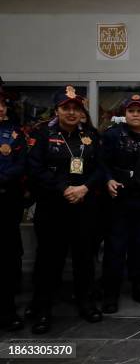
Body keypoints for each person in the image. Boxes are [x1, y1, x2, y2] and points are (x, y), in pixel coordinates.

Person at [27, 86, 103, 334]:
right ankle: (42, 311)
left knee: (84, 259)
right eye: (66, 108)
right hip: (53, 207)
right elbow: (35, 168)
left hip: (85, 206)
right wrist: (63, 188)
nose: (71, 112)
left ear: (82, 111)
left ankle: (86, 303)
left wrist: (84, 188)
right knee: (48, 261)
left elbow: (101, 168)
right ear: (57, 110)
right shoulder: (42, 134)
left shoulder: (90, 135)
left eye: (76, 108)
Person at [100, 94, 140, 314]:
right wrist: (108, 179)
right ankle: (110, 295)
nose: (135, 115)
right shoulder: (112, 135)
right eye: (131, 111)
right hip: (119, 200)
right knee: (115, 249)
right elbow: (102, 163)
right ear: (124, 114)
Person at [0, 91, 27, 331]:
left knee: (7, 258)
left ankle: (7, 311)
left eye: (1, 105)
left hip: (6, 200)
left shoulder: (16, 133)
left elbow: (22, 163)